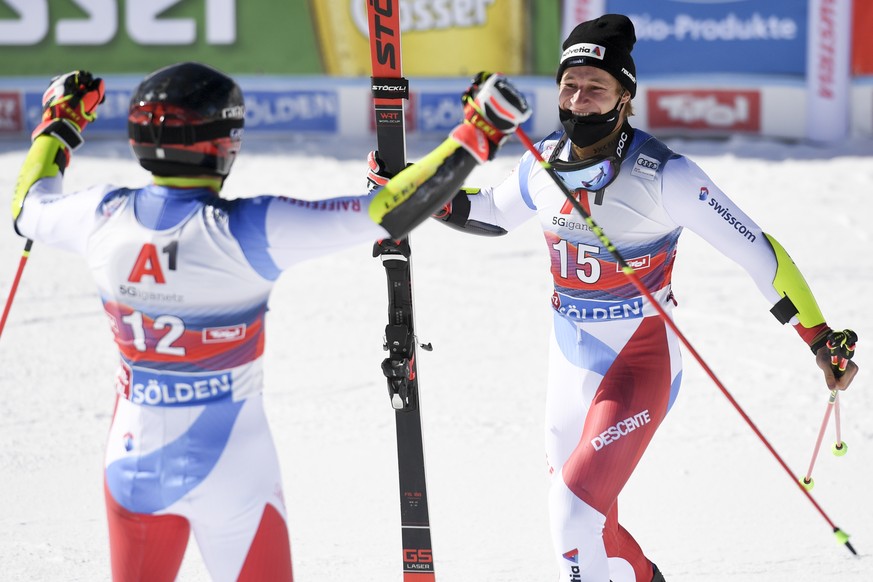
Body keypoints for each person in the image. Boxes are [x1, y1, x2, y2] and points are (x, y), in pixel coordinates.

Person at [368, 13, 859, 582]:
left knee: (571, 513)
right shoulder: (543, 160)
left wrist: (820, 338)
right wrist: (415, 186)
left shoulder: (665, 176)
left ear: (626, 98)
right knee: (587, 522)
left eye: (596, 88)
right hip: (568, 364)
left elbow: (760, 253)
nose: (579, 101)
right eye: (569, 86)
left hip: (640, 364)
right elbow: (491, 214)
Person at [10, 63, 530, 581]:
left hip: (133, 461)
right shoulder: (246, 229)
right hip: (233, 473)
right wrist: (477, 133)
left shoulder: (98, 216)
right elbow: (390, 210)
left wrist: (60, 122)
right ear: (225, 145)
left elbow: (28, 205)